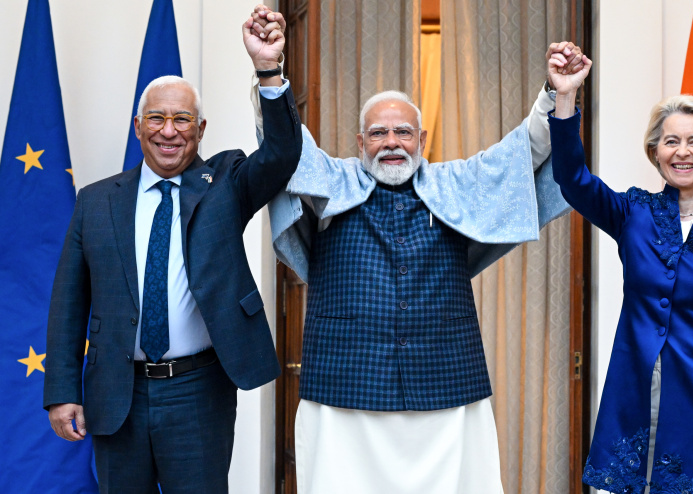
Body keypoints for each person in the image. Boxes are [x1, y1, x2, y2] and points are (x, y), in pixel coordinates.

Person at [257, 35, 586, 493]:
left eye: (403, 132)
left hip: (445, 384)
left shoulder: (455, 183)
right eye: (378, 133)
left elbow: (523, 151)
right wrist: (270, 72)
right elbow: (286, 148)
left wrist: (558, 93)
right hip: (346, 386)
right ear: (359, 142)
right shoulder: (331, 180)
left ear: (422, 139)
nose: (391, 143)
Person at [42, 8, 301, 493]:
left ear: (200, 131)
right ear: (137, 127)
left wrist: (268, 68)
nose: (169, 130)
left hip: (198, 390)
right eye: (157, 118)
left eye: (182, 119)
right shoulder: (96, 202)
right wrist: (60, 391)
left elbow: (283, 156)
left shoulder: (226, 182)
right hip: (118, 393)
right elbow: (68, 304)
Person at [547, 50, 693, 493]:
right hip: (631, 394)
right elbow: (571, 177)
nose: (682, 152)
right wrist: (566, 96)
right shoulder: (633, 212)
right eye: (670, 141)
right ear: (655, 152)